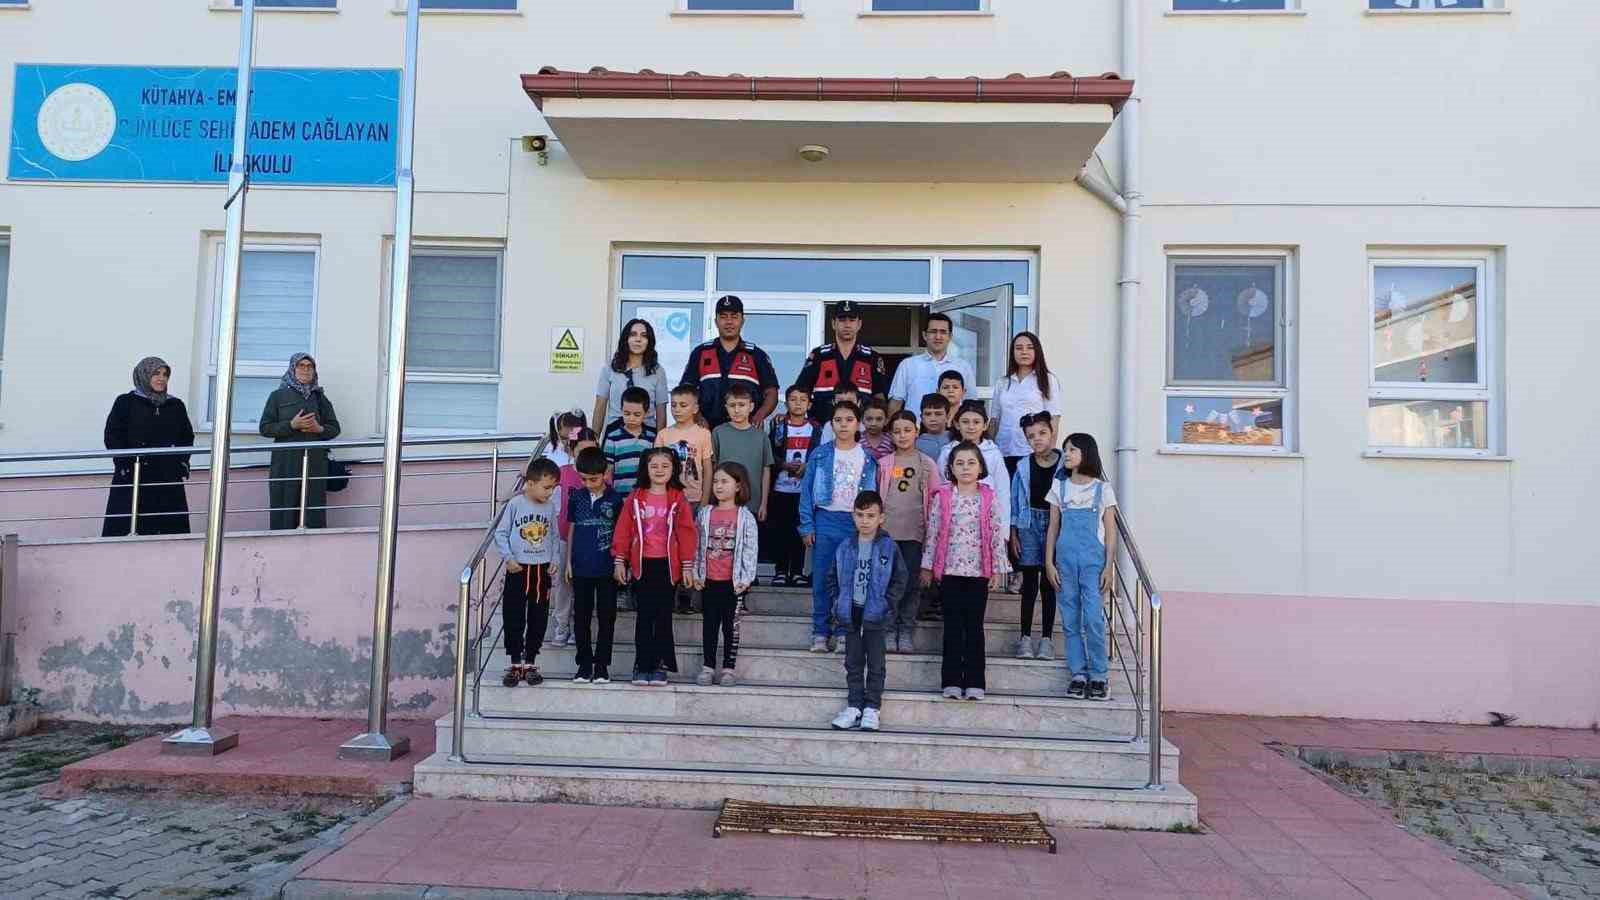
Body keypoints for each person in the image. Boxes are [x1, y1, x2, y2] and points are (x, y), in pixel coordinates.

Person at [923, 442, 1010, 701]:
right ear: (950, 468)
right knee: (952, 627)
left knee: (974, 627)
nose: (965, 468)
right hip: (950, 571)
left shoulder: (988, 497)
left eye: (971, 462)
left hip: (978, 573)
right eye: (959, 463)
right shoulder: (943, 496)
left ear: (981, 467)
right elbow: (933, 533)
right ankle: (951, 681)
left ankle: (975, 682)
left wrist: (997, 569)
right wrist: (927, 566)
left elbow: (996, 533)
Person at [798, 400, 878, 653]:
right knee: (822, 578)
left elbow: (872, 497)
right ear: (831, 424)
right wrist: (807, 525)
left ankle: (844, 632)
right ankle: (820, 632)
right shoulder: (820, 454)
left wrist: (869, 528)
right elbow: (806, 491)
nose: (843, 425)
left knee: (849, 580)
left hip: (854, 524)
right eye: (838, 420)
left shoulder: (867, 458)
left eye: (849, 420)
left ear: (859, 424)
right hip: (825, 520)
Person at [612, 447, 697, 686]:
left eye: (665, 466)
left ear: (674, 469)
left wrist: (687, 566)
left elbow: (686, 533)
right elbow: (623, 530)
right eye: (654, 466)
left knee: (663, 616)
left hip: (668, 567)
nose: (660, 470)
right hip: (642, 565)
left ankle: (659, 664)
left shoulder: (678, 498)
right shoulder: (636, 497)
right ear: (645, 469)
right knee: (644, 616)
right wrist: (620, 560)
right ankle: (642, 665)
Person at [1045, 433, 1118, 702]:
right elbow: (1053, 528)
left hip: (1093, 563)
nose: (1066, 454)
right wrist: (1049, 563)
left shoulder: (1102, 489)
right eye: (1065, 449)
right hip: (1064, 563)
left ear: (1086, 453)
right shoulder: (1059, 487)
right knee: (1070, 619)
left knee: (1093, 619)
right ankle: (1078, 673)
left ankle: (1099, 674)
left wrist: (1109, 567)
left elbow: (1110, 534)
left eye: (1072, 449)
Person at [827, 491, 908, 733]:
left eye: (871, 516)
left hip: (876, 616)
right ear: (853, 516)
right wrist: (837, 602)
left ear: (881, 517)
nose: (865, 520)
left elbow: (900, 579)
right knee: (852, 664)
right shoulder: (845, 546)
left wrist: (887, 604)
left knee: (875, 664)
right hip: (851, 615)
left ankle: (872, 707)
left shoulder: (889, 547)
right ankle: (854, 706)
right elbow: (832, 578)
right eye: (860, 515)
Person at [102, 356, 196, 537]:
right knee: (130, 527)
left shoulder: (175, 405)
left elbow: (186, 437)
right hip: (135, 474)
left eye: (165, 374)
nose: (162, 378)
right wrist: (125, 464)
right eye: (156, 374)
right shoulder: (126, 402)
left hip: (167, 477)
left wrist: (181, 462)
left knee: (169, 532)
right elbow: (113, 436)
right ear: (144, 375)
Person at [494, 458, 563, 688]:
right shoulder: (515, 504)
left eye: (553, 488)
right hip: (518, 569)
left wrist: (555, 559)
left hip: (541, 570)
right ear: (530, 483)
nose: (550, 492)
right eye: (546, 487)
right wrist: (508, 558)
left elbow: (554, 535)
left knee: (538, 616)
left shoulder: (549, 507)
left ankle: (531, 662)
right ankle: (515, 663)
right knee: (513, 615)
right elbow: (501, 533)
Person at [877, 411, 941, 653]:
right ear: (890, 435)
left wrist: (931, 536)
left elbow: (935, 501)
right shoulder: (884, 463)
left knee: (911, 585)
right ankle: (888, 628)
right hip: (887, 535)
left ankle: (905, 629)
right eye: (896, 431)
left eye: (907, 430)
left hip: (914, 535)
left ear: (917, 431)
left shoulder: (927, 464)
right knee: (888, 584)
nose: (902, 435)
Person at [692, 462, 759, 688]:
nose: (718, 486)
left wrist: (746, 578)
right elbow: (696, 545)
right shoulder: (705, 513)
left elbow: (751, 549)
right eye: (716, 481)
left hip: (733, 583)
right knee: (709, 625)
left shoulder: (745, 516)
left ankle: (729, 669)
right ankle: (708, 667)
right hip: (709, 580)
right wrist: (696, 571)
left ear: (738, 486)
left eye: (724, 481)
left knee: (731, 627)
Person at [259, 353, 341, 530]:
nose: (306, 369)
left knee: (313, 508)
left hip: (315, 464)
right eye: (301, 366)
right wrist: (291, 425)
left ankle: (313, 544)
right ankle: (282, 543)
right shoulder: (277, 396)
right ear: (292, 369)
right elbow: (265, 428)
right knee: (285, 505)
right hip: (286, 463)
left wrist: (319, 429)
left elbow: (335, 428)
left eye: (309, 366)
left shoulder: (320, 398)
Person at [563, 447, 623, 685]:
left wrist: (620, 563)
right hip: (580, 566)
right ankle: (584, 664)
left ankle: (601, 666)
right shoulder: (576, 497)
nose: (588, 484)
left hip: (607, 567)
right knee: (581, 617)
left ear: (605, 474)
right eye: (584, 479)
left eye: (594, 479)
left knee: (607, 617)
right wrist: (568, 562)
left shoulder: (615, 499)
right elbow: (572, 528)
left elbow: (621, 534)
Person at [679, 295, 780, 429]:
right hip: (707, 430)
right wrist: (697, 416)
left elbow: (771, 392)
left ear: (742, 320)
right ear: (716, 321)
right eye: (723, 317)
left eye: (734, 317)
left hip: (745, 430)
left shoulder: (756, 355)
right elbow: (686, 391)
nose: (729, 322)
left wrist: (758, 416)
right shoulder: (700, 353)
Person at [1010, 413, 1061, 661]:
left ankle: (1047, 639)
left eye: (1042, 433)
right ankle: (1025, 638)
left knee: (1049, 583)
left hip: (1056, 525)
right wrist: (1013, 533)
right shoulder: (1023, 465)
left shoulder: (1064, 463)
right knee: (1029, 583)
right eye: (1031, 436)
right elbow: (1014, 501)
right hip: (1028, 524)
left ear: (1051, 433)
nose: (1037, 439)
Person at [796, 301, 888, 427]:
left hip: (861, 429)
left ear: (859, 324)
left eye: (852, 320)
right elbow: (800, 391)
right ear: (834, 323)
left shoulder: (871, 357)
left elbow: (880, 398)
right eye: (842, 320)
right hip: (823, 426)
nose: (847, 324)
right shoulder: (819, 355)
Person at [765, 384, 820, 587]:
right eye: (793, 399)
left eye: (803, 400)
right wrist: (783, 465)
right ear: (786, 403)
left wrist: (808, 466)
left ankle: (797, 571)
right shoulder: (779, 426)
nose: (798, 403)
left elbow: (819, 455)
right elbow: (771, 454)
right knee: (781, 531)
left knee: (800, 530)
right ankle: (780, 570)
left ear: (810, 404)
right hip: (781, 488)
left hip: (803, 491)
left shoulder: (815, 428)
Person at [550, 426, 599, 647]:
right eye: (581, 450)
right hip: (563, 537)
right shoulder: (562, 472)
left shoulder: (603, 475)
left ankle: (579, 627)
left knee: (584, 585)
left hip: (590, 540)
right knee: (563, 582)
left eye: (592, 450)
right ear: (572, 450)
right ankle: (562, 625)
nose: (586, 455)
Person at [991, 331, 1064, 476]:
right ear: (1012, 352)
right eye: (1019, 348)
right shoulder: (1003, 382)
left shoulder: (1047, 380)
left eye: (1030, 347)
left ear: (1037, 351)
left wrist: (1047, 457)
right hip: (1003, 451)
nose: (1024, 352)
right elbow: (995, 420)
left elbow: (1054, 420)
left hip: (1032, 452)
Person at [936, 401, 1010, 533]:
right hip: (954, 521)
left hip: (987, 520)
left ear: (985, 425)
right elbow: (941, 485)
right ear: (957, 424)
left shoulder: (994, 454)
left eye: (976, 422)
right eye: (965, 422)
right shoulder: (947, 452)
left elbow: (1002, 491)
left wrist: (1004, 531)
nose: (971, 426)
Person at [888, 313, 975, 415]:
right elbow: (896, 403)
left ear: (950, 336)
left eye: (943, 332)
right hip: (916, 425)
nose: (938, 337)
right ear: (924, 335)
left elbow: (971, 403)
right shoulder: (908, 365)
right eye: (933, 331)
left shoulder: (963, 367)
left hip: (952, 425)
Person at [711, 383, 774, 523]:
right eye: (732, 405)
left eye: (741, 405)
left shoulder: (761, 436)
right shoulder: (718, 432)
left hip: (753, 504)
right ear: (726, 407)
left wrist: (763, 504)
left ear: (751, 407)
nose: (737, 410)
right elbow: (713, 467)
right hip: (723, 503)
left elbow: (766, 471)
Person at [595, 318, 670, 430]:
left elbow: (661, 410)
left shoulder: (657, 371)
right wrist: (594, 437)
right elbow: (600, 405)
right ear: (626, 339)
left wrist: (661, 440)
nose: (638, 339)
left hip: (647, 435)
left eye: (644, 336)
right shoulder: (610, 369)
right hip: (615, 434)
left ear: (649, 341)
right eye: (633, 334)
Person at [655, 385, 713, 506]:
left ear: (695, 408)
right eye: (674, 405)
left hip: (695, 499)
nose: (677, 409)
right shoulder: (663, 435)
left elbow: (708, 470)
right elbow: (656, 468)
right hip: (668, 498)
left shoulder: (704, 434)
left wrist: (704, 501)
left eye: (683, 405)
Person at [601, 386, 657, 496]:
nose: (631, 418)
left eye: (637, 415)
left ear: (646, 413)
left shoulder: (652, 438)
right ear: (621, 410)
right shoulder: (612, 437)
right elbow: (608, 470)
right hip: (619, 496)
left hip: (645, 497)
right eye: (627, 413)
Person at [915, 393, 953, 462]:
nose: (933, 419)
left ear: (948, 417)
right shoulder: (914, 444)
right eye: (928, 414)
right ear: (922, 418)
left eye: (938, 414)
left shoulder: (955, 439)